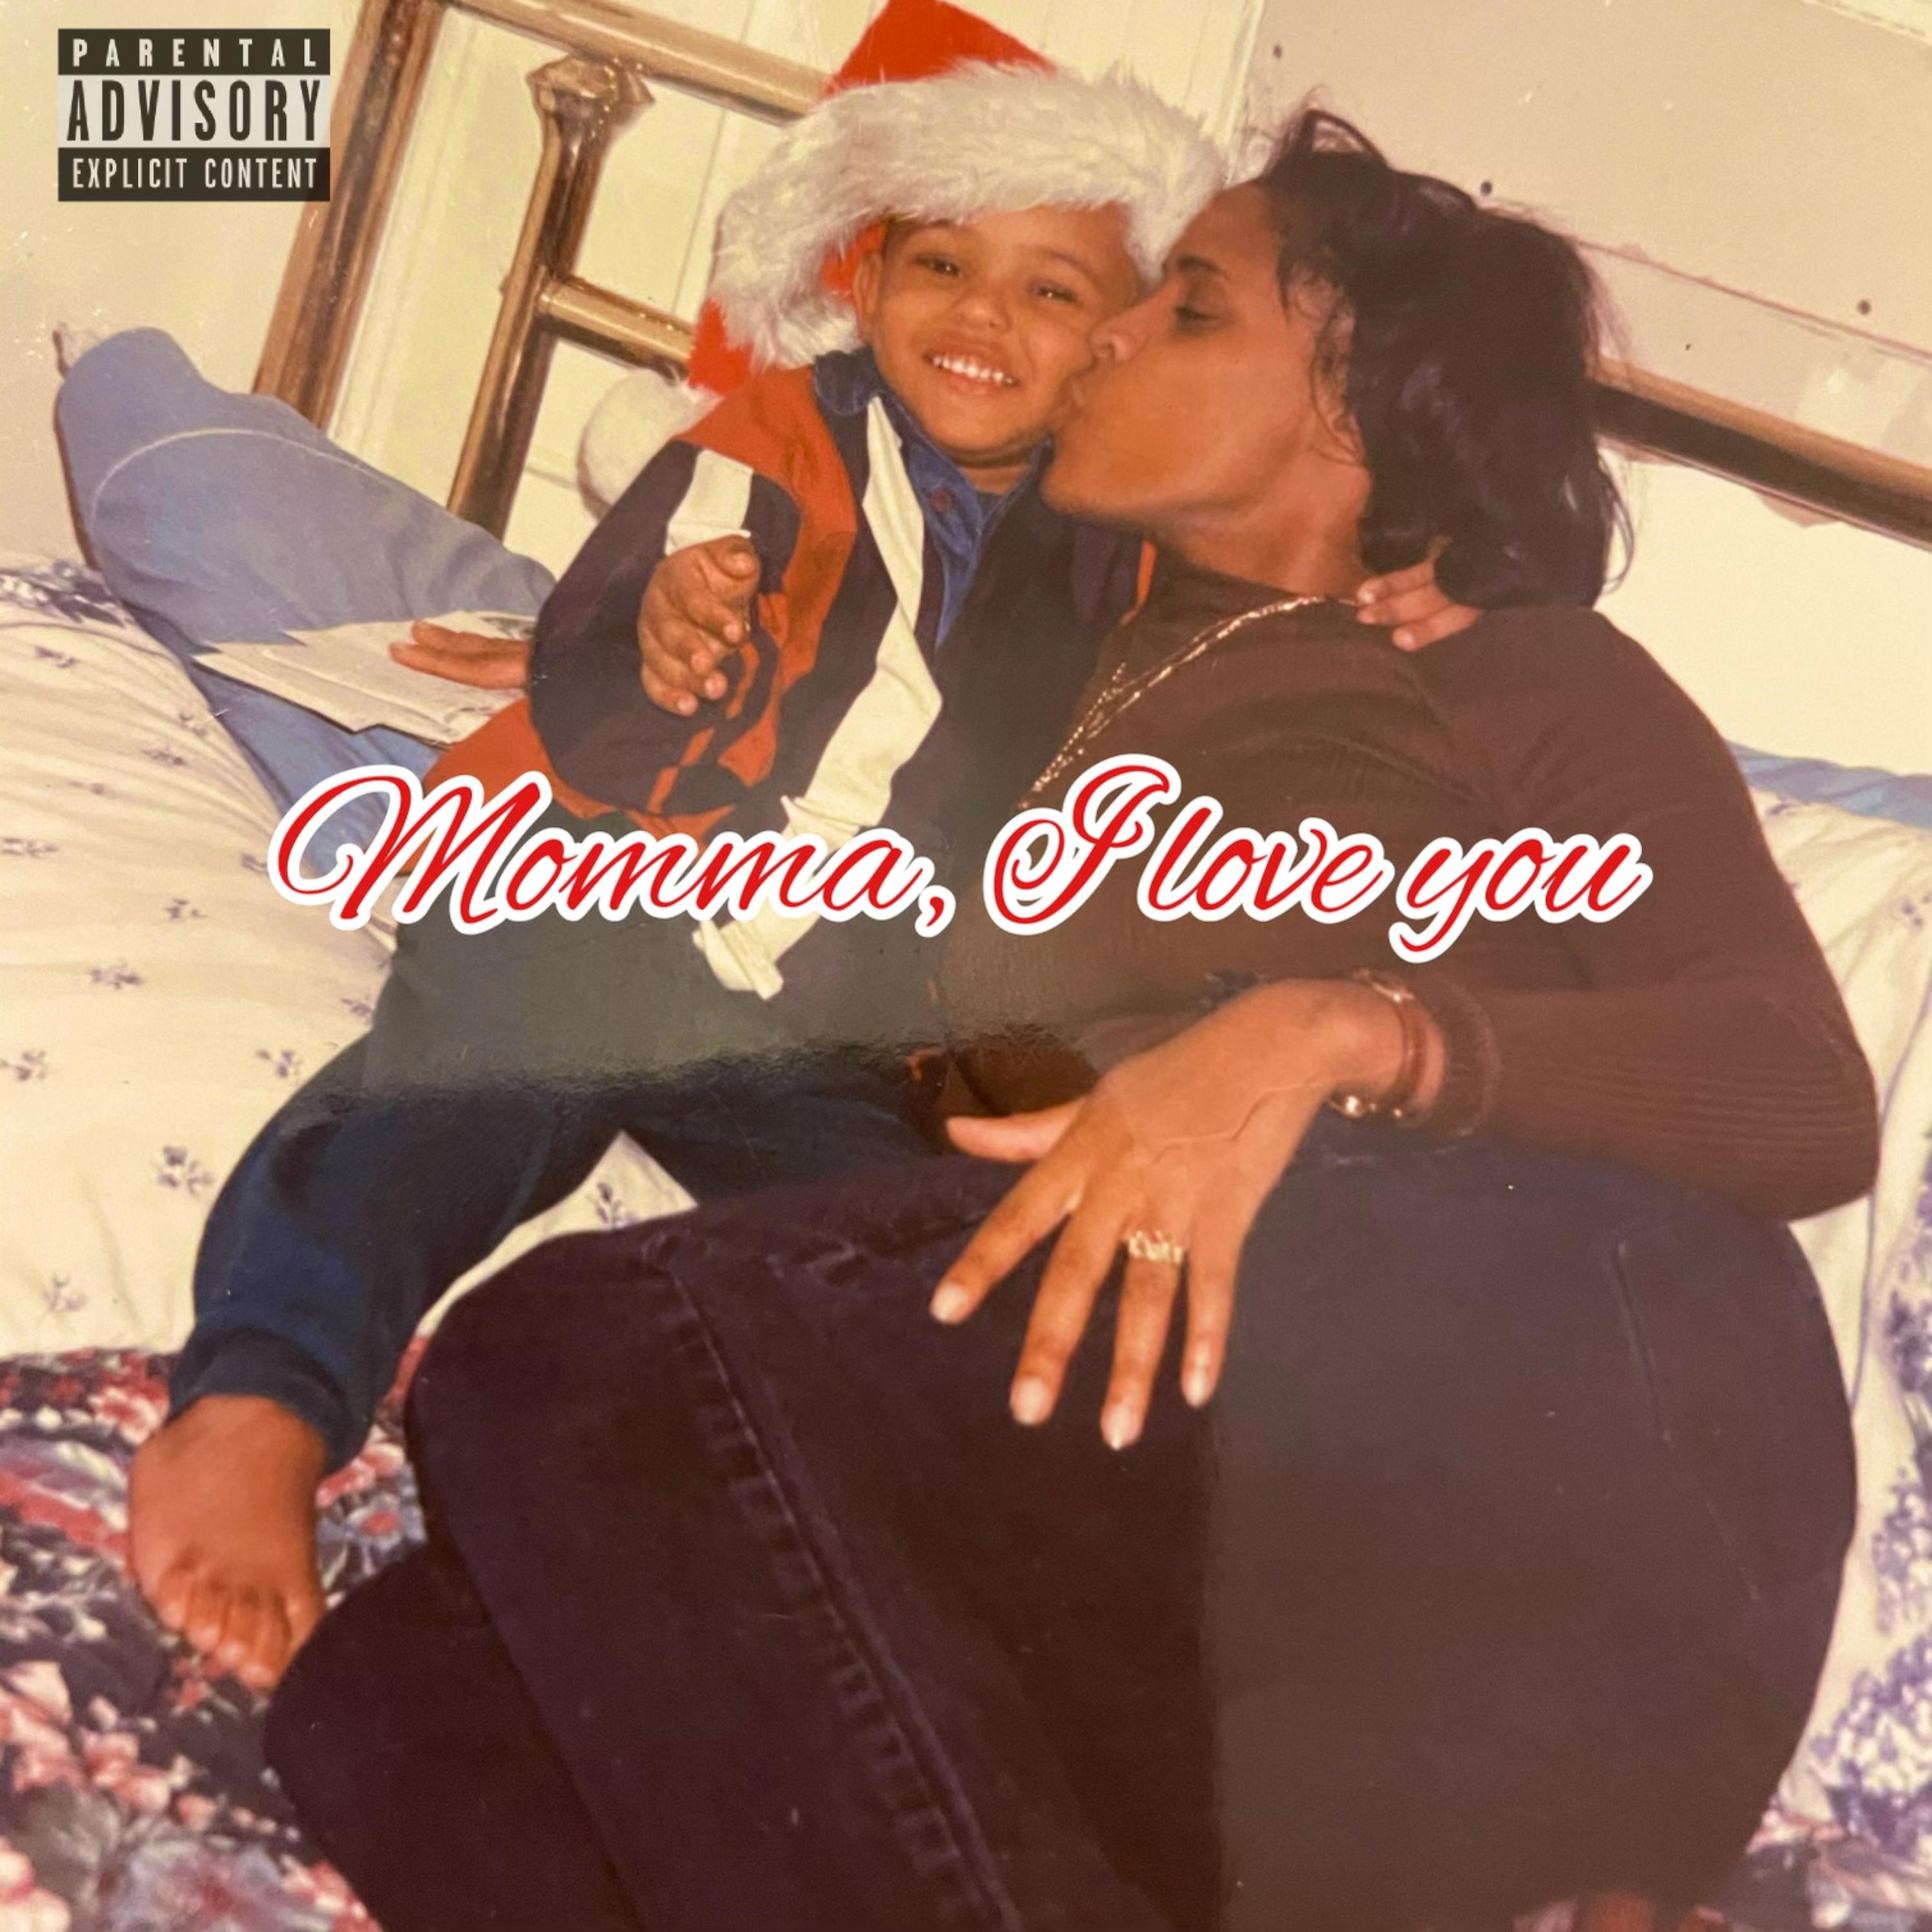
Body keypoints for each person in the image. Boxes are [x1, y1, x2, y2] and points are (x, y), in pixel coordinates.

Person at [267, 112, 1877, 1932]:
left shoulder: (1510, 664)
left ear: (1353, 413)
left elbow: (1803, 1088)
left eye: (1186, 305)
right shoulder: (1070, 686)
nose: (1106, 332)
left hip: (1579, 1433)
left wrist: (1330, 1034)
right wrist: (634, 663)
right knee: (395, 1704)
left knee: (575, 1357)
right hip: (1242, 1579)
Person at [124, 62, 1478, 1694]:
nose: (981, 315)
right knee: (475, 1064)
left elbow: (1294, 560)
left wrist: (1430, 577)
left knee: (929, 1251)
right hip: (621, 883)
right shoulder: (780, 437)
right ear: (867, 273)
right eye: (940, 264)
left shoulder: (1123, 528)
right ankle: (262, 1397)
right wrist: (663, 629)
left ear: (1121, 340)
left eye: (1053, 291)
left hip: (841, 1013)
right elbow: (604, 657)